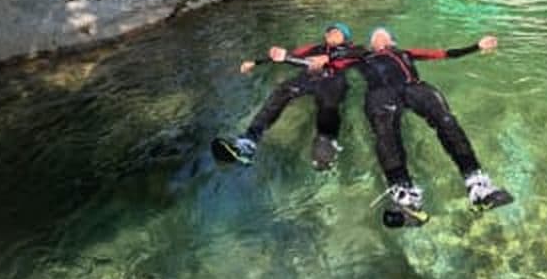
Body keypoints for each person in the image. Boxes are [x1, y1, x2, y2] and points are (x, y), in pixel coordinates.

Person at [355, 27, 513, 227]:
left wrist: (476, 46)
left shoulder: (406, 53)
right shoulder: (361, 58)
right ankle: (404, 194)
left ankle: (477, 185)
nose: (379, 39)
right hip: (380, 93)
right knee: (384, 132)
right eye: (375, 37)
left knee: (445, 119)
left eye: (383, 36)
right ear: (371, 44)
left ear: (392, 41)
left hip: (413, 87)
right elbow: (331, 62)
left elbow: (444, 54)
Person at [212, 22, 362, 170]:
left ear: (345, 38)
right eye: (329, 32)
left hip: (332, 80)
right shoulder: (314, 48)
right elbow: (286, 56)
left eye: (337, 33)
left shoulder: (351, 49)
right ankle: (248, 142)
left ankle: (326, 142)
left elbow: (361, 53)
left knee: (328, 103)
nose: (331, 34)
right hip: (308, 79)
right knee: (282, 90)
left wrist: (329, 58)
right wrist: (255, 62)